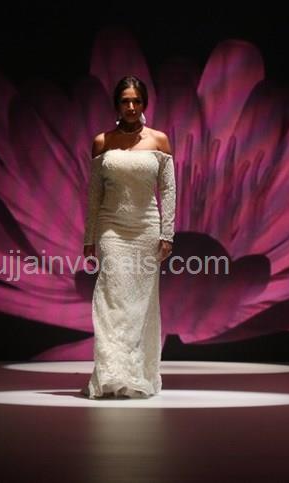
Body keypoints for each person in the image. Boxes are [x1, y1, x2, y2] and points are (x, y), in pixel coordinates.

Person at [81, 75, 176, 399]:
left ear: (144, 103)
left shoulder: (159, 141)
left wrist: (167, 233)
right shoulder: (102, 141)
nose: (131, 106)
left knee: (141, 304)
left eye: (137, 100)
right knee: (111, 299)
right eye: (125, 101)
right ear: (117, 105)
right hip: (111, 229)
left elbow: (168, 190)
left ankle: (137, 375)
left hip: (146, 229)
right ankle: (110, 375)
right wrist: (89, 238)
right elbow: (94, 195)